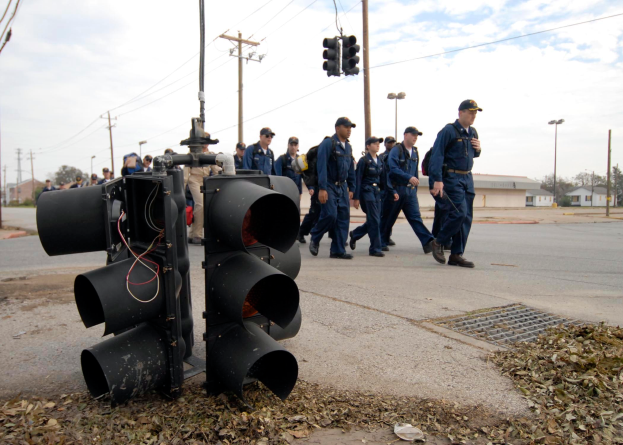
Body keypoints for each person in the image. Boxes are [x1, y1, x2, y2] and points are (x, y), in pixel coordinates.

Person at [429, 100, 482, 268]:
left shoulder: (473, 132)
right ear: (460, 113)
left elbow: (471, 155)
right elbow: (436, 156)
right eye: (470, 112)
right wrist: (437, 180)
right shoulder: (448, 131)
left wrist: (478, 149)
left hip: (467, 177)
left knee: (466, 217)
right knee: (459, 213)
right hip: (452, 177)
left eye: (475, 113)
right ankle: (439, 242)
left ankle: (456, 255)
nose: (473, 115)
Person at [381, 126, 434, 254]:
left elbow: (415, 172)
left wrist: (414, 187)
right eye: (413, 134)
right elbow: (393, 168)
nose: (415, 137)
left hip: (410, 192)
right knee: (388, 218)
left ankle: (428, 242)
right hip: (397, 189)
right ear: (405, 135)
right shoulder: (396, 150)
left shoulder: (415, 151)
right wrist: (408, 177)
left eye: (417, 135)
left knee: (415, 217)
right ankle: (381, 241)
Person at [309, 117, 356, 259]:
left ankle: (337, 250)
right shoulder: (328, 143)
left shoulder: (348, 146)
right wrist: (322, 188)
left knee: (343, 218)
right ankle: (315, 237)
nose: (349, 130)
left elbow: (351, 168)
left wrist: (352, 187)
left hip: (342, 186)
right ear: (337, 128)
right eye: (346, 127)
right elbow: (321, 166)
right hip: (328, 185)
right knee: (330, 214)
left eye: (350, 128)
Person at [349, 137, 385, 257]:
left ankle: (355, 234)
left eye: (378, 143)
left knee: (376, 219)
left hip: (377, 192)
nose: (377, 145)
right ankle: (375, 248)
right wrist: (356, 198)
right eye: (374, 143)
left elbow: (384, 179)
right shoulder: (363, 161)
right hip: (367, 192)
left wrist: (391, 192)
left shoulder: (380, 160)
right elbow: (358, 179)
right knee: (374, 219)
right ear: (368, 146)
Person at [184, 144, 222, 245]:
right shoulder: (192, 155)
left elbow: (216, 170)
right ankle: (198, 234)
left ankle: (192, 234)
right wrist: (182, 190)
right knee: (200, 204)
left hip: (205, 180)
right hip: (194, 180)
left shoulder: (210, 155)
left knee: (203, 206)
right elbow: (185, 173)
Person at [378, 136, 397, 248]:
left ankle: (387, 236)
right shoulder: (382, 156)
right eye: (389, 143)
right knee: (383, 215)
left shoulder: (397, 155)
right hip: (384, 188)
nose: (391, 144)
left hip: (394, 187)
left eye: (393, 142)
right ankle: (381, 237)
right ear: (385, 144)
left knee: (391, 214)